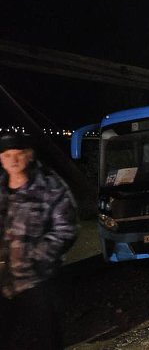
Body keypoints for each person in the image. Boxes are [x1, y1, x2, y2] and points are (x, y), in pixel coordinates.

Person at [0, 132, 78, 349]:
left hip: (38, 280)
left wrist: (34, 258)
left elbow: (66, 229)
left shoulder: (51, 187)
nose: (13, 160)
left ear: (30, 155)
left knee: (47, 338)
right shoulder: (1, 188)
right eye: (7, 155)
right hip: (3, 280)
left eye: (19, 154)